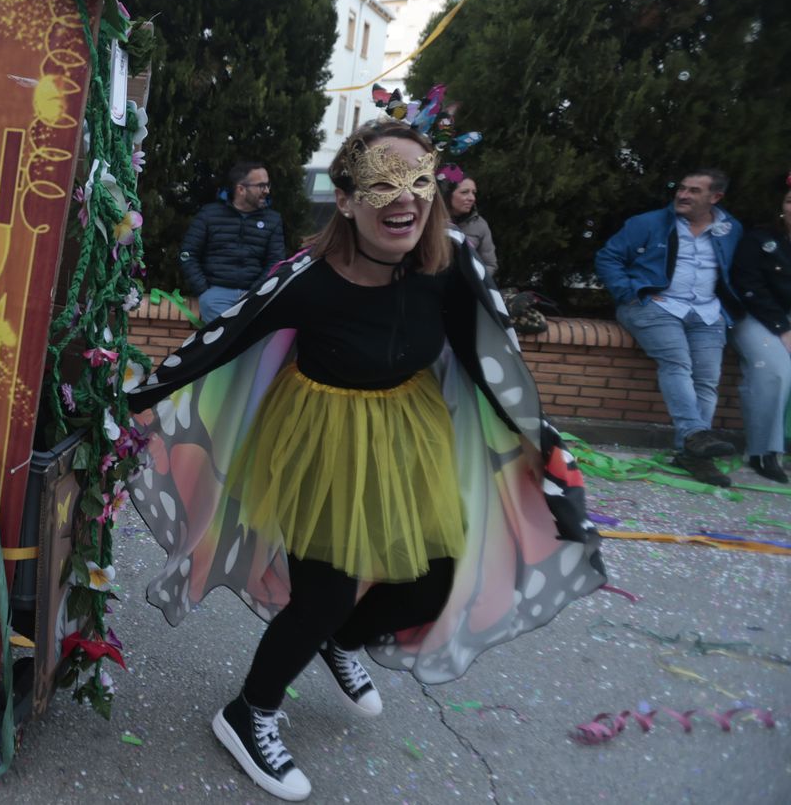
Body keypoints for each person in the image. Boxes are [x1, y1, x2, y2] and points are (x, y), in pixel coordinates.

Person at [127, 120, 603, 801]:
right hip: (320, 440)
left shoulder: (449, 269)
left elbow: (491, 362)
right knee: (324, 587)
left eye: (417, 181)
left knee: (438, 578)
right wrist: (126, 402)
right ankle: (249, 712)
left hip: (410, 431)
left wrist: (540, 445)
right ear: (346, 200)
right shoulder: (307, 281)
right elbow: (215, 343)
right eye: (381, 182)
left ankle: (339, 636)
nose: (403, 198)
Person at [594, 169, 743, 487]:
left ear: (715, 198)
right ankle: (695, 435)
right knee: (677, 362)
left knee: (708, 379)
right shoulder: (647, 223)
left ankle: (691, 454)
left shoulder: (730, 229)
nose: (683, 195)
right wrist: (630, 292)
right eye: (682, 188)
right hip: (654, 307)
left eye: (694, 191)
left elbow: (734, 272)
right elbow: (608, 257)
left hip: (706, 312)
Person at [727, 183, 791, 483]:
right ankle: (763, 453)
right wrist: (784, 329)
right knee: (775, 370)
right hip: (757, 317)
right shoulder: (760, 240)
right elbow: (750, 288)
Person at [180, 162, 287, 319]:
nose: (267, 191)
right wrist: (204, 290)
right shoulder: (209, 214)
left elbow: (276, 262)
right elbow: (188, 254)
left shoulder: (273, 220)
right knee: (229, 336)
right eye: (261, 186)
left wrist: (256, 291)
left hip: (256, 294)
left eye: (268, 185)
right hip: (216, 295)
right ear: (241, 189)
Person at [441, 175, 496, 273]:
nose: (472, 198)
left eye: (473, 193)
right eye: (464, 192)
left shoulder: (480, 225)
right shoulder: (431, 221)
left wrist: (472, 281)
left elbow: (490, 264)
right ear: (448, 194)